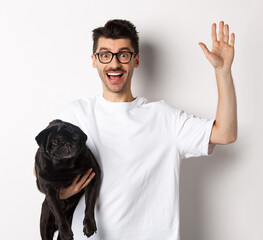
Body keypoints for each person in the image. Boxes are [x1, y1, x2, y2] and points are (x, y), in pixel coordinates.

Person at [39, 19, 237, 240]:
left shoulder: (164, 117)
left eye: (123, 55)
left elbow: (226, 133)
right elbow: (42, 168)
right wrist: (61, 193)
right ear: (94, 61)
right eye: (105, 55)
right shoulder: (74, 115)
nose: (114, 64)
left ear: (136, 60)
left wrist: (223, 71)